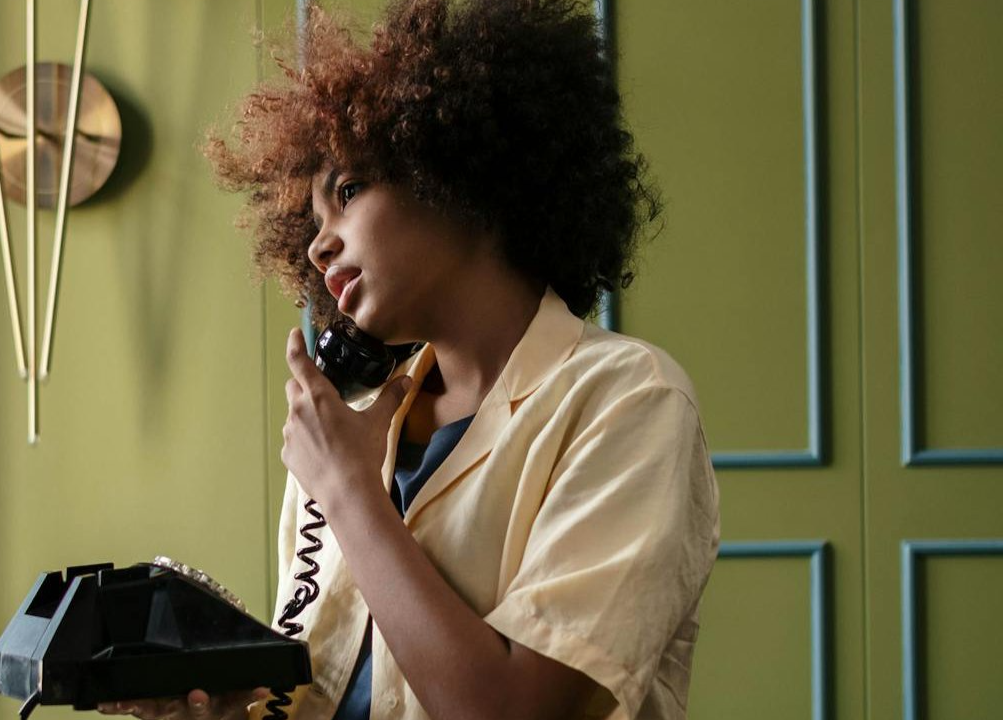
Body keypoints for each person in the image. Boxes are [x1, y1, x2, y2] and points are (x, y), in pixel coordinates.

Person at [100, 0, 719, 717]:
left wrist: (349, 494)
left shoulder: (630, 402)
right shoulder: (346, 433)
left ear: (460, 177)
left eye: (350, 193)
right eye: (313, 220)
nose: (316, 245)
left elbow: (511, 711)